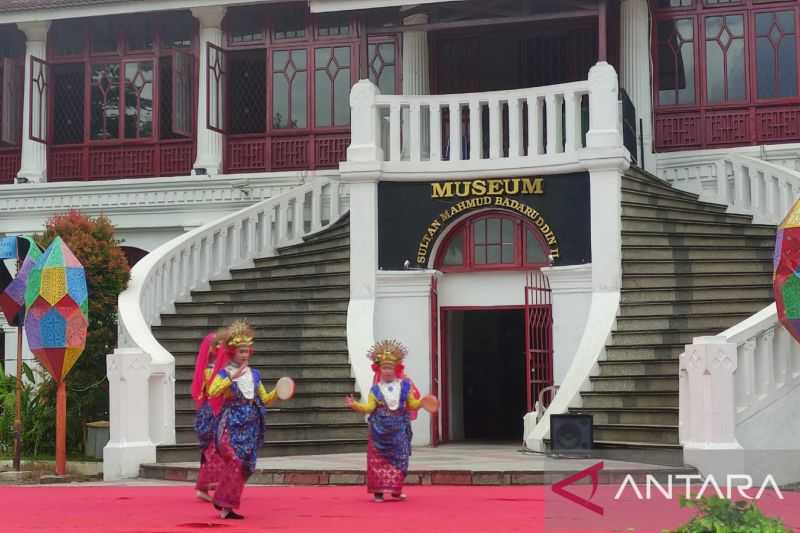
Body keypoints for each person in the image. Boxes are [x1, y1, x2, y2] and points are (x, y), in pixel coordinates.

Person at [206, 320, 282, 519]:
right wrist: (232, 378)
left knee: (245, 466)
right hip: (232, 423)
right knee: (235, 461)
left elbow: (264, 398)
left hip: (251, 424)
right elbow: (212, 392)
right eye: (241, 351)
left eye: (247, 351)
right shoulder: (225, 373)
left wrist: (279, 392)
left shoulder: (255, 375)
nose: (245, 355)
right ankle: (224, 503)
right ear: (232, 352)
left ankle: (227, 505)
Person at [345, 339, 433, 503]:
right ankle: (378, 492)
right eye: (384, 367)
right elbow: (369, 408)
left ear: (396, 368)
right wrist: (355, 405)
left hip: (399, 431)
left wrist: (422, 403)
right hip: (379, 432)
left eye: (390, 367)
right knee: (377, 462)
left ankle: (396, 491)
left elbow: (412, 404)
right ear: (379, 369)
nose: (387, 371)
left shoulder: (405, 386)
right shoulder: (375, 389)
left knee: (401, 460)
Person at [191, 330, 227, 502]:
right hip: (214, 411)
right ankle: (208, 485)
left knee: (211, 450)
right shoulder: (213, 371)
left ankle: (210, 485)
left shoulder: (212, 369)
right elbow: (216, 391)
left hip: (210, 410)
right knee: (214, 449)